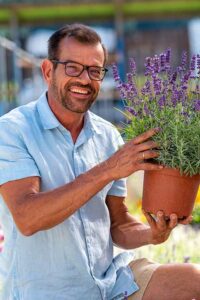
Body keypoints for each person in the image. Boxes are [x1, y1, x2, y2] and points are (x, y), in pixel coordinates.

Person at [0, 23, 199, 300]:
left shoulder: (107, 135)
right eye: (72, 67)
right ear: (48, 71)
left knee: (193, 280)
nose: (84, 79)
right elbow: (27, 218)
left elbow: (118, 224)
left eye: (94, 71)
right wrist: (108, 169)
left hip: (109, 287)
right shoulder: (12, 130)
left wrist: (152, 234)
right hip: (46, 293)